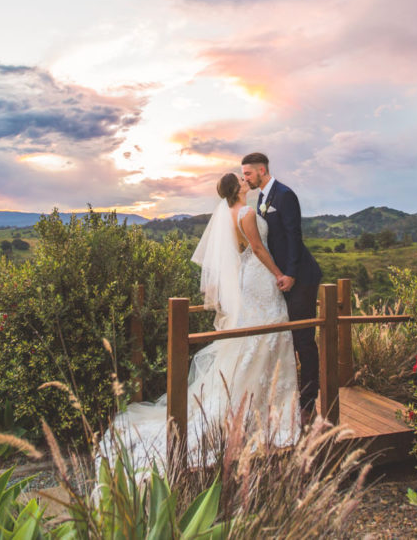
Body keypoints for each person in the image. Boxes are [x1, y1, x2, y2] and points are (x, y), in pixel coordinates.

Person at [100, 172, 299, 470]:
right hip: (259, 278)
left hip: (249, 279)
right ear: (238, 188)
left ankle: (265, 406)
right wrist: (279, 274)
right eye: (242, 180)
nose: (247, 181)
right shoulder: (244, 213)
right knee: (267, 335)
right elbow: (257, 250)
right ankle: (268, 410)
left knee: (258, 340)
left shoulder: (229, 214)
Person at [241, 152, 322, 422]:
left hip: (301, 277)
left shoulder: (285, 194)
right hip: (282, 278)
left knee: (303, 339)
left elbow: (293, 236)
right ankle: (293, 394)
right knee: (289, 338)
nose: (246, 178)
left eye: (248, 174)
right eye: (244, 175)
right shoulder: (263, 198)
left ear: (262, 170)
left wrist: (290, 274)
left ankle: (309, 402)